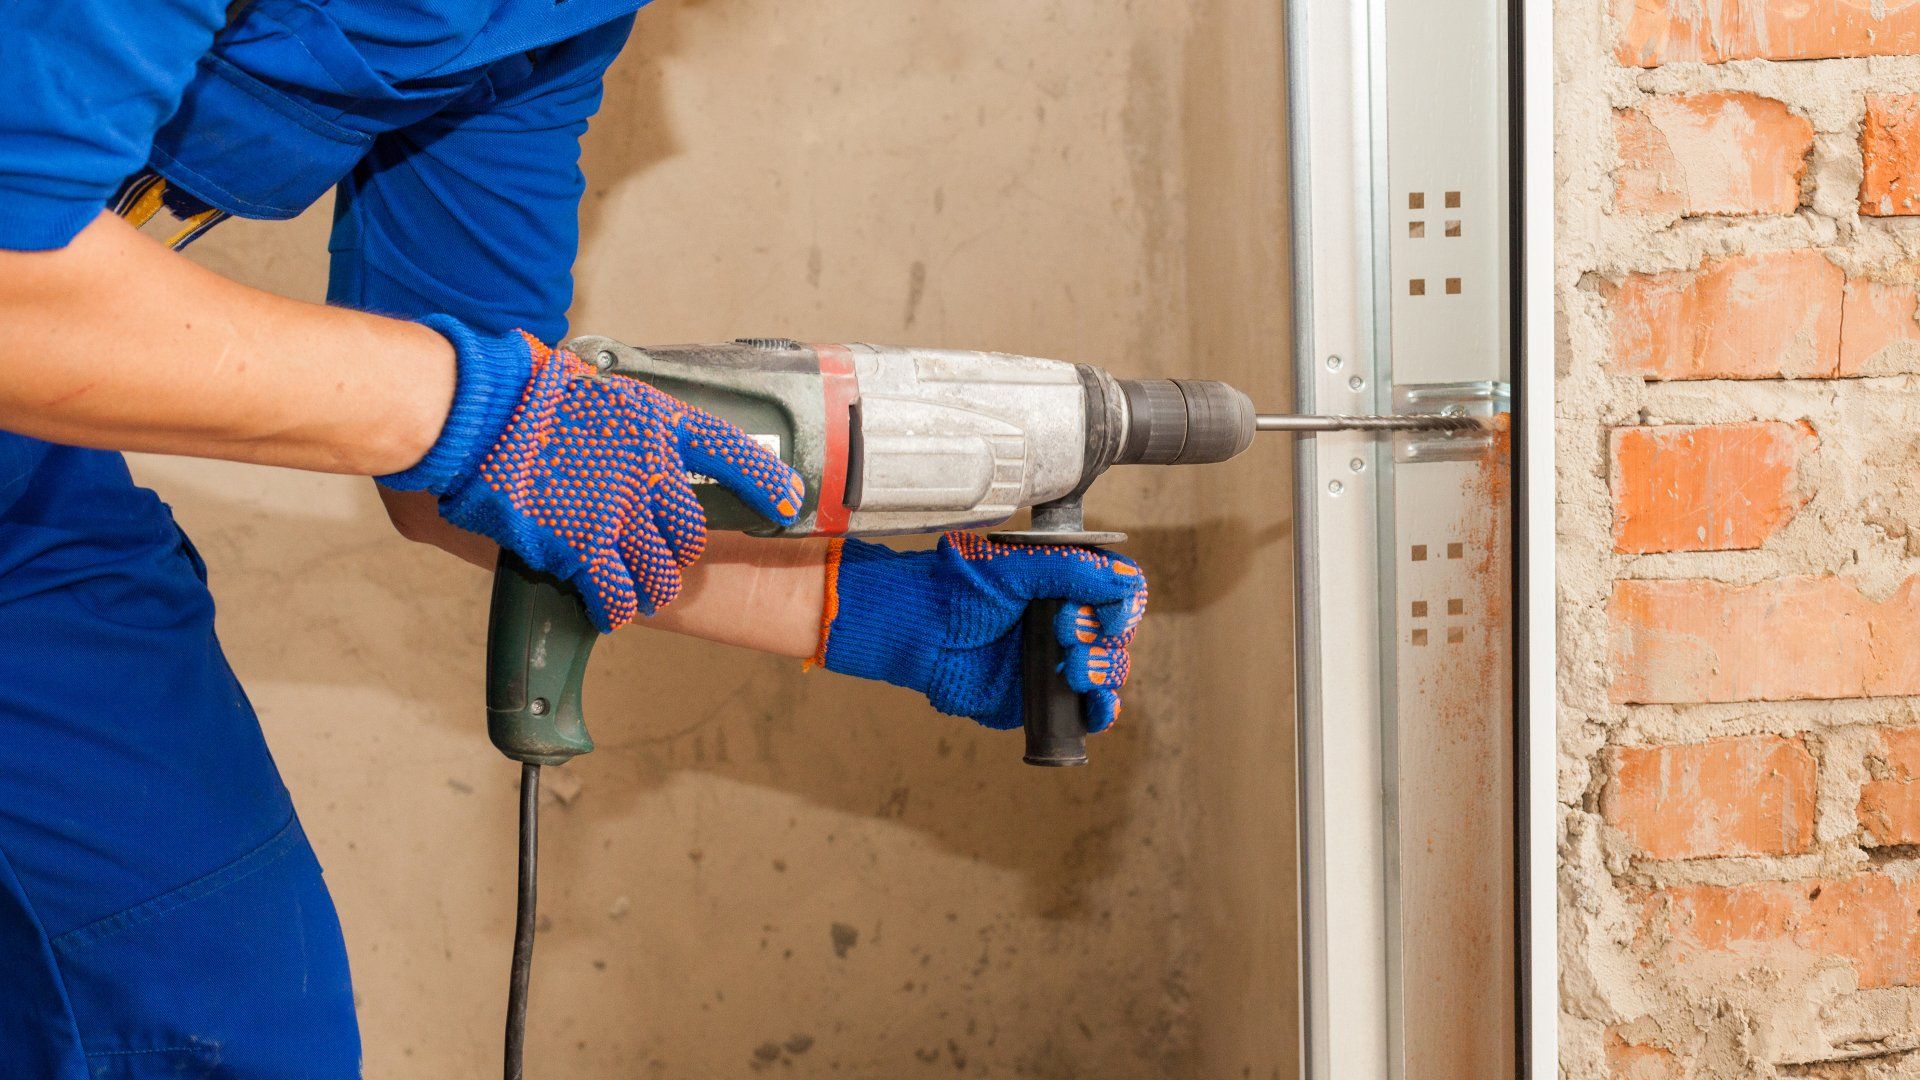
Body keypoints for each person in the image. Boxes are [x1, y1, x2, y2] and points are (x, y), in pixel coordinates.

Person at [0, 2, 1149, 1075]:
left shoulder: (549, 18)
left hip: (24, 501)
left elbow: (483, 464)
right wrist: (481, 410)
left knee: (221, 1017)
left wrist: (876, 614)